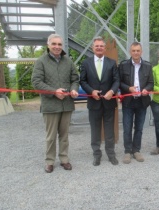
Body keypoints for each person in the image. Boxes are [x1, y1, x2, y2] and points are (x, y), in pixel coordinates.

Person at [31, 34, 79, 173]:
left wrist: (74, 89)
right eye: (54, 44)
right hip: (50, 105)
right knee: (51, 136)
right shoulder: (41, 61)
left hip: (67, 104)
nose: (57, 47)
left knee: (64, 135)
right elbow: (36, 82)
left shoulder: (68, 61)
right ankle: (49, 161)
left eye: (59, 44)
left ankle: (64, 159)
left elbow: (75, 79)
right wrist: (54, 91)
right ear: (48, 45)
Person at [80, 37, 119, 166]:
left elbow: (116, 80)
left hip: (109, 102)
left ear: (104, 48)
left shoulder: (112, 63)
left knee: (109, 130)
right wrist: (91, 91)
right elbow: (83, 81)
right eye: (97, 46)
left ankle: (111, 154)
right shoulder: (86, 63)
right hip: (94, 102)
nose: (99, 48)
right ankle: (96, 154)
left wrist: (112, 92)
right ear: (93, 48)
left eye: (101, 46)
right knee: (95, 130)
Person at [118, 42, 154, 164]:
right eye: (133, 50)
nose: (136, 53)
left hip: (142, 102)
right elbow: (119, 82)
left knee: (139, 128)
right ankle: (127, 151)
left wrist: (146, 89)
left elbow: (151, 82)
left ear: (141, 52)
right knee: (127, 128)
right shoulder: (123, 65)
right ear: (130, 52)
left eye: (138, 50)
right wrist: (128, 88)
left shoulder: (148, 66)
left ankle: (136, 150)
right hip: (128, 102)